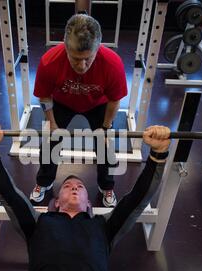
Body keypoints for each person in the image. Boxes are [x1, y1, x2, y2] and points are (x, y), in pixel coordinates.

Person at [0, 123, 171, 271]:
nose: (74, 187)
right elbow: (9, 195)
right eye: (67, 186)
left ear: (89, 204)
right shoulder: (37, 224)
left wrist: (158, 154)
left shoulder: (104, 227)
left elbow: (137, 200)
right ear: (57, 202)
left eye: (80, 186)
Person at [30, 13, 128, 207]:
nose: (82, 66)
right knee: (51, 143)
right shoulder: (50, 62)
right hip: (62, 103)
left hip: (97, 105)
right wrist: (53, 124)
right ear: (65, 48)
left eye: (88, 59)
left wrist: (106, 128)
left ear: (97, 48)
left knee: (105, 146)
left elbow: (114, 100)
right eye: (76, 59)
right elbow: (45, 96)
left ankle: (106, 186)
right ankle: (44, 182)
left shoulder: (112, 64)